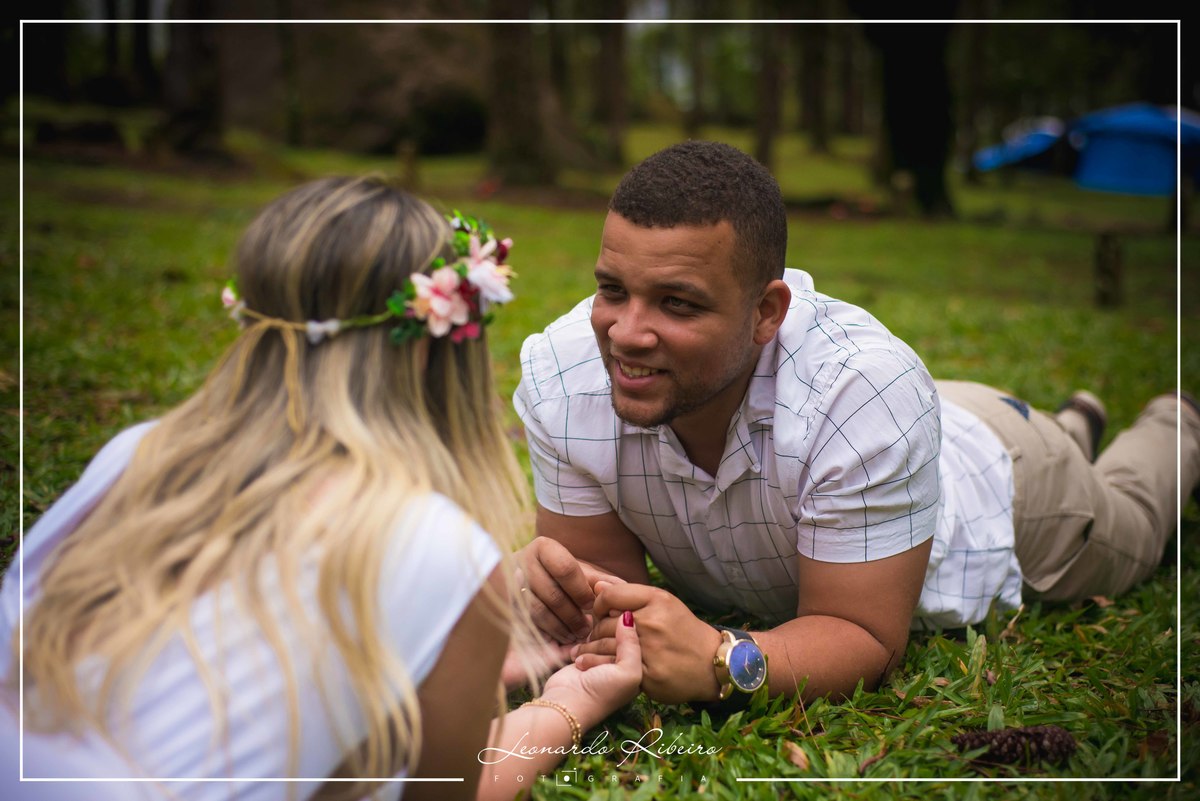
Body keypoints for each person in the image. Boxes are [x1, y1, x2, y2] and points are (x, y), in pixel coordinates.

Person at [0, 177, 642, 801]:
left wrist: (435, 665)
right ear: (434, 345)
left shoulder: (138, 453)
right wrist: (568, 703)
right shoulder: (438, 545)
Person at [514, 140, 1200, 712]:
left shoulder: (864, 392)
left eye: (677, 303)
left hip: (1009, 485)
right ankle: (1077, 421)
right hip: (897, 429)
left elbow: (863, 634)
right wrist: (561, 610)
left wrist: (724, 660)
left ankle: (1174, 420)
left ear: (766, 312)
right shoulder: (564, 373)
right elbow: (605, 606)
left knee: (1135, 517)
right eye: (613, 290)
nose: (626, 334)